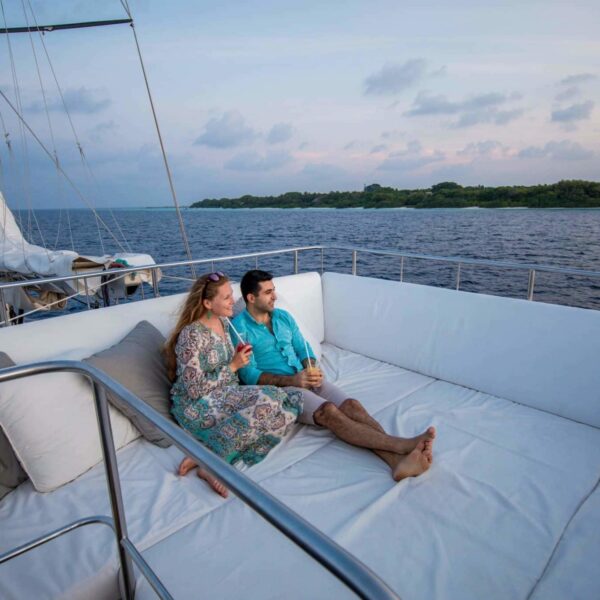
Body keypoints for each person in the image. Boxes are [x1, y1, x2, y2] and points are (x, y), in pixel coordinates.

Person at [232, 270, 435, 481]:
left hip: (305, 377)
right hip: (282, 390)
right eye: (268, 292)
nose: (274, 296)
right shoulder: (239, 329)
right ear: (251, 298)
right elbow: (249, 374)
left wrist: (311, 367)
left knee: (352, 405)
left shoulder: (283, 317)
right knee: (328, 411)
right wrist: (292, 380)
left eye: (274, 291)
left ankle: (397, 462)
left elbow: (304, 349)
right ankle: (402, 445)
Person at [164, 272, 303, 497]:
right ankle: (213, 463)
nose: (233, 301)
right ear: (208, 303)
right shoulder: (191, 335)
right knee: (269, 401)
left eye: (231, 295)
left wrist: (238, 358)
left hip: (226, 395)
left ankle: (205, 452)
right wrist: (233, 366)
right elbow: (194, 388)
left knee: (287, 407)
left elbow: (230, 373)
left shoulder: (225, 323)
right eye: (227, 297)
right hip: (196, 405)